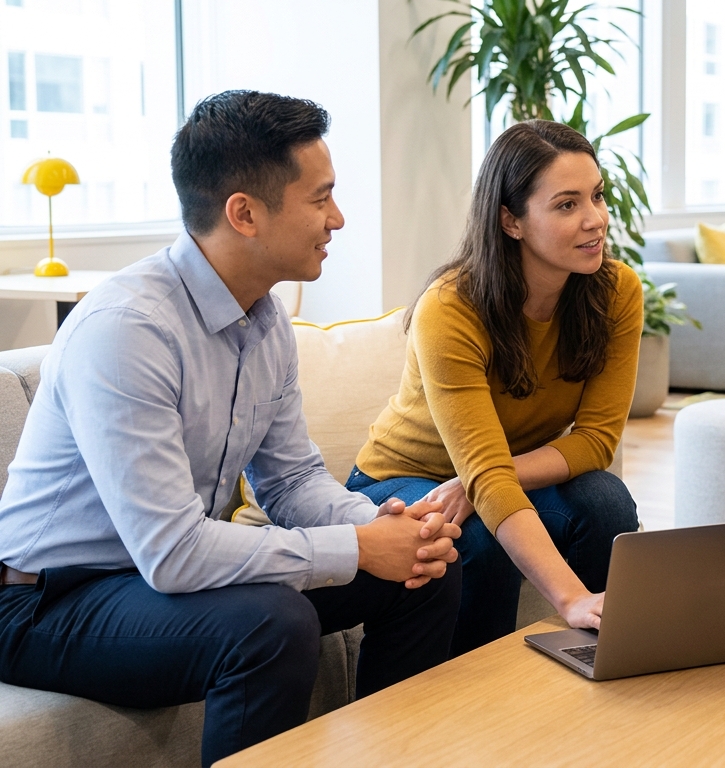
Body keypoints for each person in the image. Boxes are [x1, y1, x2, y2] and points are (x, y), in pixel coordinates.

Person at [0, 91, 465, 766]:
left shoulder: (265, 319)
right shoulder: (129, 331)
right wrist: (355, 548)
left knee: (426, 568)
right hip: (51, 602)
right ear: (244, 213)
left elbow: (294, 479)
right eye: (320, 199)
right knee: (271, 627)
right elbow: (174, 553)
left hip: (156, 581)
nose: (338, 219)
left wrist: (381, 528)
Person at [347, 120, 641, 656]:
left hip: (486, 470)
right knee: (473, 538)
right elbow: (485, 477)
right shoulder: (451, 306)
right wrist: (572, 596)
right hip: (400, 478)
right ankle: (481, 700)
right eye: (567, 205)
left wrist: (481, 479)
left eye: (597, 196)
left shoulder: (615, 290)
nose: (596, 220)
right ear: (510, 221)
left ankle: (614, 656)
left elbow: (596, 440)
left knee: (605, 500)